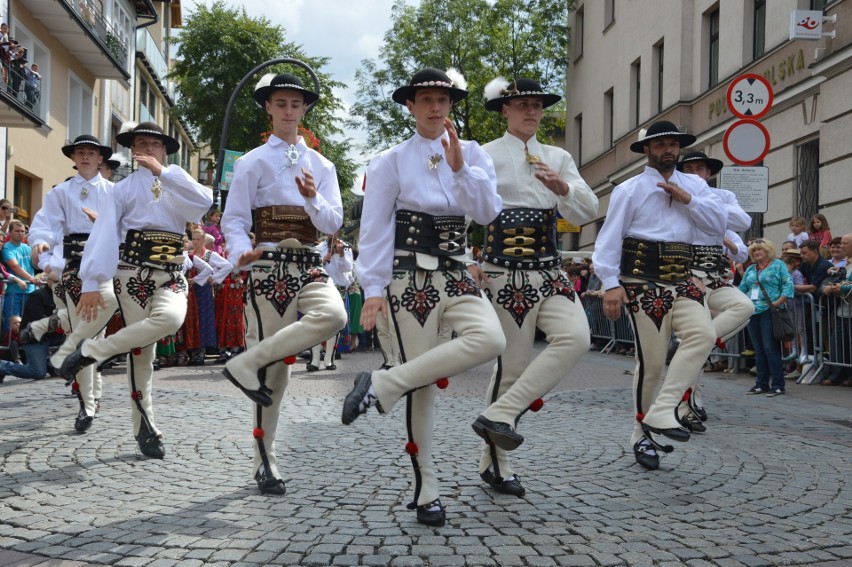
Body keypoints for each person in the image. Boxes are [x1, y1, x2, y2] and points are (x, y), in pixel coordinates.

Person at [341, 67, 506, 526]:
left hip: (456, 272)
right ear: (411, 106)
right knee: (424, 387)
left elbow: (488, 211)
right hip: (408, 276)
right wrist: (372, 289)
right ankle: (426, 488)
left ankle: (381, 384)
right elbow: (374, 229)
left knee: (491, 339)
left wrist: (460, 170)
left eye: (443, 99)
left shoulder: (472, 154)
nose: (436, 106)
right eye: (426, 98)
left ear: (451, 104)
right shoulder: (390, 160)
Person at [220, 72, 347, 496]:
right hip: (268, 264)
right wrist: (241, 249)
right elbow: (235, 218)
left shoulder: (323, 165)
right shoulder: (251, 161)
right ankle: (265, 460)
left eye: (296, 104)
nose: (289, 111)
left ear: (305, 109)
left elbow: (333, 223)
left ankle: (244, 362)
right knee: (276, 375)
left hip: (310, 263)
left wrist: (312, 197)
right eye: (281, 103)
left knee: (334, 314)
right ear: (269, 108)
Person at [58, 121, 213, 458]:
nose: (147, 150)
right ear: (132, 150)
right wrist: (90, 282)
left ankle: (93, 353)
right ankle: (145, 427)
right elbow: (104, 236)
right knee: (143, 353)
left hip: (171, 273)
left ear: (164, 150)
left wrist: (165, 173)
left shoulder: (177, 183)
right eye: (140, 144)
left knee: (171, 319)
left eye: (154, 145)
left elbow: (204, 201)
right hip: (130, 275)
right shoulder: (122, 189)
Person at [475, 76, 598, 497]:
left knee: (577, 337)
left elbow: (587, 209)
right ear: (505, 110)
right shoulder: (485, 155)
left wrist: (561, 187)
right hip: (503, 269)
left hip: (549, 268)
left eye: (537, 105)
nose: (531, 111)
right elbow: (465, 206)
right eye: (522, 104)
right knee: (512, 363)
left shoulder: (558, 156)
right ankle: (498, 463)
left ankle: (502, 414)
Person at [592, 120, 726, 471]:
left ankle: (663, 411)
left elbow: (718, 226)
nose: (669, 149)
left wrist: (690, 200)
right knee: (651, 363)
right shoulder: (630, 190)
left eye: (673, 144)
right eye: (661, 144)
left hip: (682, 280)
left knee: (704, 334)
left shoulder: (694, 184)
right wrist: (610, 284)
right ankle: (641, 432)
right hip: (641, 281)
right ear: (647, 150)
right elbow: (609, 240)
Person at [27, 134, 117, 433]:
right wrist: (40, 244)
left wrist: (101, 223)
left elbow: (123, 229)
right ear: (74, 157)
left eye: (92, 152)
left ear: (100, 158)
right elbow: (46, 225)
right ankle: (88, 402)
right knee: (84, 336)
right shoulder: (61, 192)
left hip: (103, 265)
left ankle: (90, 396)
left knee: (92, 334)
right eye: (81, 152)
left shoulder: (112, 192)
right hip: (72, 267)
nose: (86, 157)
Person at [675, 151, 753, 424]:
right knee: (694, 340)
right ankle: (687, 404)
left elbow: (743, 228)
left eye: (700, 169)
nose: (695, 174)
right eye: (689, 169)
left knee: (744, 305)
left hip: (715, 277)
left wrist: (701, 202)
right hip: (686, 278)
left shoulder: (722, 197)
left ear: (709, 173)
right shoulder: (672, 195)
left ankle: (704, 343)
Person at [739, 239, 794, 396]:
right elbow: (742, 288)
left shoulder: (778, 265)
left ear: (768, 251)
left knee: (770, 348)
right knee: (759, 349)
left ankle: (777, 384)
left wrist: (778, 303)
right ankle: (761, 384)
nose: (757, 253)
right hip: (752, 311)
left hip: (770, 311)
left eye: (760, 250)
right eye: (754, 250)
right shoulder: (750, 268)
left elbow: (788, 285)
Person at [0, 281, 63, 382]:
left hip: (55, 334)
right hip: (34, 337)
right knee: (38, 372)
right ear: (49, 282)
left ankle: (52, 365)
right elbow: (40, 322)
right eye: (57, 281)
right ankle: (2, 366)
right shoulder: (37, 295)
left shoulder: (66, 295)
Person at [307, 235, 354, 371]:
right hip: (322, 288)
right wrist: (322, 261)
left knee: (334, 325)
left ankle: (329, 360)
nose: (332, 233)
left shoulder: (345, 248)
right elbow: (311, 269)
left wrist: (340, 254)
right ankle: (315, 360)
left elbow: (348, 268)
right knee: (316, 323)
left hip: (339, 289)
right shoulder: (318, 248)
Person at [821, 232, 852, 386]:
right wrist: (832, 286)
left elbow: (846, 285)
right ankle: (837, 374)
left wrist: (843, 288)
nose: (841, 246)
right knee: (838, 342)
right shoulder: (845, 264)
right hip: (842, 310)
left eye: (845, 243)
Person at [2, 219, 40, 330]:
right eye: (17, 231)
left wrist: (40, 254)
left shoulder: (27, 248)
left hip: (30, 291)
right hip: (14, 292)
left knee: (27, 323)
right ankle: (11, 346)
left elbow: (36, 266)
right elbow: (15, 267)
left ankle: (22, 346)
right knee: (12, 323)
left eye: (22, 231)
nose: (20, 233)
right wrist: (31, 279)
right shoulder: (6, 248)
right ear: (10, 232)